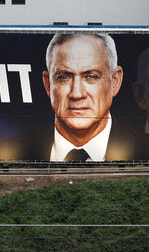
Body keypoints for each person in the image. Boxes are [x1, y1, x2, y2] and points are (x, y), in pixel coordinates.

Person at [42, 33, 130, 161]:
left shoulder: (147, 149)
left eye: (91, 76)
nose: (77, 94)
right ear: (48, 84)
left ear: (115, 82)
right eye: (64, 77)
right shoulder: (22, 148)